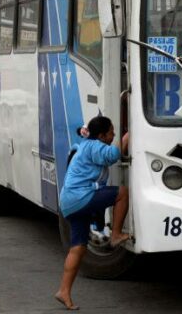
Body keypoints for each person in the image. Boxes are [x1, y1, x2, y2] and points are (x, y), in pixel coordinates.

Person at [55, 116, 130, 310]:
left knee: (78, 248)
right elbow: (113, 155)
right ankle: (115, 234)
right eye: (112, 132)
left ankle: (64, 291)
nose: (114, 135)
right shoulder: (94, 146)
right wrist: (128, 137)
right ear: (102, 135)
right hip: (80, 197)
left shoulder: (87, 144)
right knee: (122, 193)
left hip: (68, 202)